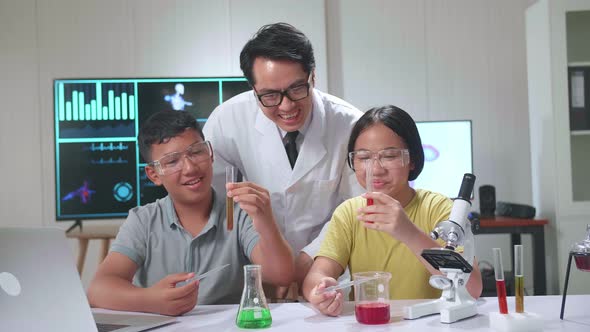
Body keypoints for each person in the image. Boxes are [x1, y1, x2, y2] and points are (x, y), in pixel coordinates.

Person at [202, 23, 364, 293]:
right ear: (253, 90)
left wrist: (308, 260)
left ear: (313, 77)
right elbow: (217, 206)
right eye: (270, 96)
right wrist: (267, 259)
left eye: (297, 89)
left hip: (327, 268)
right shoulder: (227, 120)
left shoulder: (349, 125)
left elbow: (355, 206)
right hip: (254, 268)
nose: (287, 106)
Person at [87, 111, 294, 316]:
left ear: (210, 153)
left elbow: (281, 276)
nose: (189, 168)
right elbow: (98, 290)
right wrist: (151, 300)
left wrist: (265, 218)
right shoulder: (144, 220)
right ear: (154, 174)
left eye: (196, 152)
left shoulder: (238, 213)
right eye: (172, 161)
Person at [302, 105, 483, 316]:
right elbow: (316, 276)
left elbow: (472, 288)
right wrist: (320, 289)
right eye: (364, 157)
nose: (376, 169)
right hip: (370, 323)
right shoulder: (350, 213)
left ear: (412, 160)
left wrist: (407, 231)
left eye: (389, 156)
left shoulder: (438, 208)